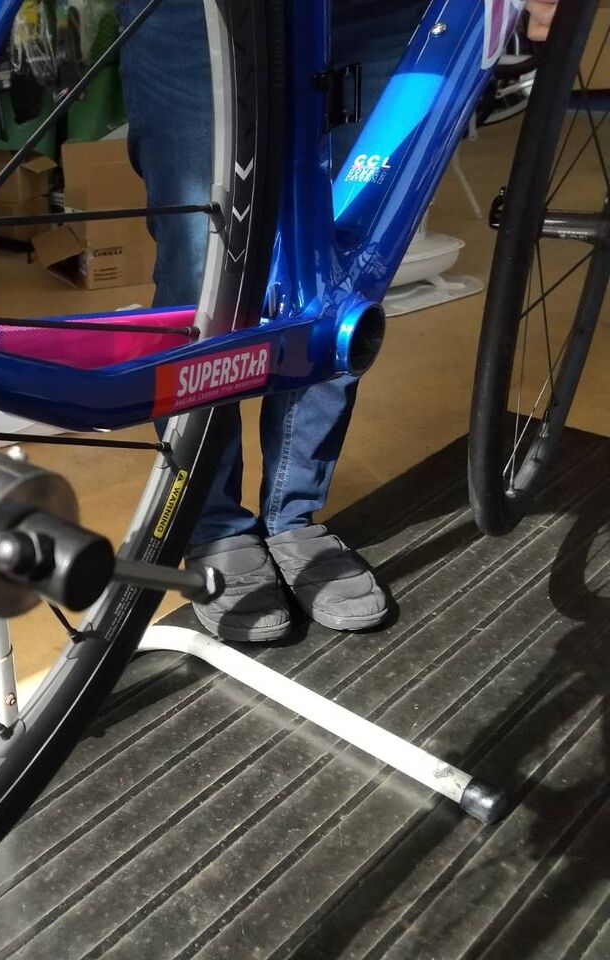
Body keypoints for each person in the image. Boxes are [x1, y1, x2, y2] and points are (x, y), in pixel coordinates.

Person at [118, 0, 555, 642]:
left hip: (377, 10)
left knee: (344, 273)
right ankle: (210, 524)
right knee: (200, 273)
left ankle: (294, 514)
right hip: (196, 12)